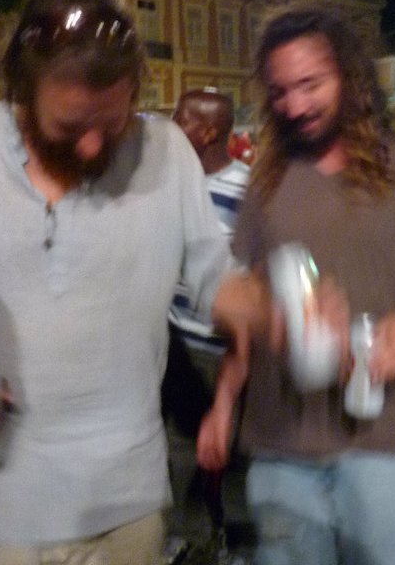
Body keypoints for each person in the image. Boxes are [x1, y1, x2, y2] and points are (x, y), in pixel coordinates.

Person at [0, 0, 232, 565]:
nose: (94, 145)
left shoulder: (168, 150)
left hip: (129, 505)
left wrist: (278, 308)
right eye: (70, 126)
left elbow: (219, 281)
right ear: (22, 93)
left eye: (113, 121)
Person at [197, 2, 395, 565]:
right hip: (281, 445)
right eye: (280, 91)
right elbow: (243, 297)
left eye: (310, 84)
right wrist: (224, 400)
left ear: (350, 77)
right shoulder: (266, 181)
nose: (294, 106)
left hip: (380, 442)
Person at [162, 88, 249, 561]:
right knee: (180, 446)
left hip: (225, 346)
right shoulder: (171, 183)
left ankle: (238, 538)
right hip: (177, 340)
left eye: (182, 118)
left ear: (209, 131)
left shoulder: (248, 191)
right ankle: (187, 534)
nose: (172, 124)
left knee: (233, 448)